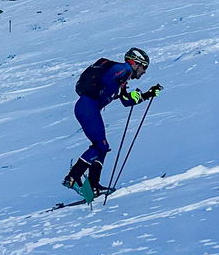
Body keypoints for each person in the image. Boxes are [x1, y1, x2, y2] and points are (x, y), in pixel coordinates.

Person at [64, 49, 160, 200]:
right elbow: (109, 79)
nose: (144, 72)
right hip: (87, 107)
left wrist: (148, 94)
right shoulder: (124, 69)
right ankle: (73, 177)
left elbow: (127, 102)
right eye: (144, 67)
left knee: (102, 146)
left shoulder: (123, 78)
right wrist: (117, 88)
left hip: (89, 108)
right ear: (136, 64)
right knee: (101, 146)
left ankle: (93, 185)